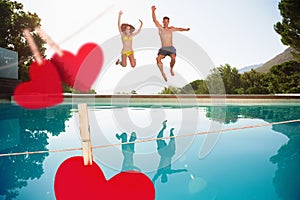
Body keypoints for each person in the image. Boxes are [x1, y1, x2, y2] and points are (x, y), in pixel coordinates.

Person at [151, 6, 190, 82]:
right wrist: (153, 11)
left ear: (168, 22)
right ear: (163, 22)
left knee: (173, 58)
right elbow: (154, 20)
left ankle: (171, 69)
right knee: (158, 59)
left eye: (167, 21)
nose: (165, 23)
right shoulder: (160, 28)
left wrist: (186, 29)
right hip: (164, 48)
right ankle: (163, 73)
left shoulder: (171, 29)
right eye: (164, 21)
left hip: (171, 48)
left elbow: (179, 29)